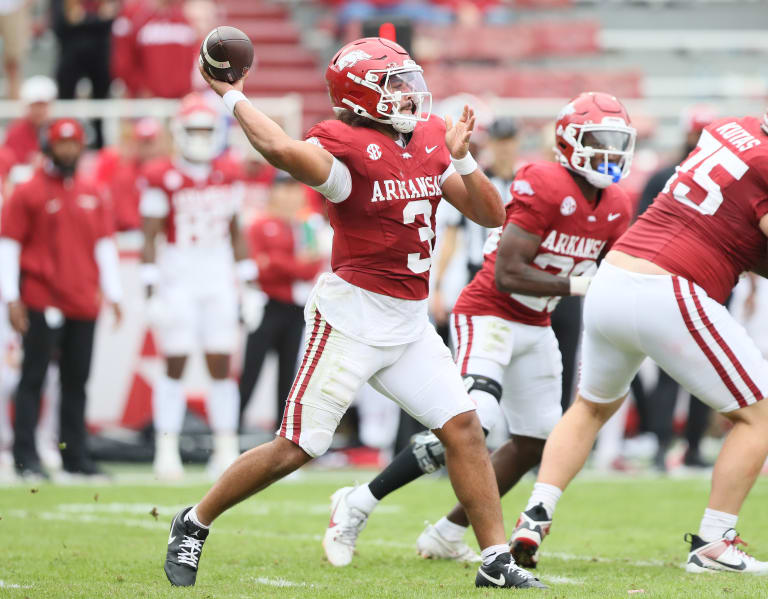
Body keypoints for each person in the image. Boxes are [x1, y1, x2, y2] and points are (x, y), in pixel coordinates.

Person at [163, 36, 546, 590]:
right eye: (394, 83)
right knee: (295, 448)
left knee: (463, 428)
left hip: (410, 319)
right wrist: (232, 97)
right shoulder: (341, 143)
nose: (410, 93)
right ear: (362, 94)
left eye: (408, 80)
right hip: (353, 316)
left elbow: (491, 214)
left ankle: (495, 559)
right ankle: (194, 522)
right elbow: (281, 151)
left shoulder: (432, 138)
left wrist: (462, 157)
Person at [324, 91, 635, 563]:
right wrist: (581, 285)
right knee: (476, 423)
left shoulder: (617, 204)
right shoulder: (543, 181)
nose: (610, 153)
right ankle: (360, 500)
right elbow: (508, 272)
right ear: (570, 141)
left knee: (535, 440)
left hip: (537, 320)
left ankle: (447, 534)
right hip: (489, 310)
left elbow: (611, 270)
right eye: (599, 141)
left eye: (617, 142)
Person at [510, 109, 768, 574]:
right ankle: (714, 542)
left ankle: (536, 513)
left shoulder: (736, 128)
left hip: (613, 279)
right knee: (760, 414)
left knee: (590, 407)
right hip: (671, 288)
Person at [140, 93, 255, 481]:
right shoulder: (162, 176)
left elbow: (237, 231)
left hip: (218, 277)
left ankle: (226, 447)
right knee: (175, 363)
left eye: (208, 130)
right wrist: (151, 290)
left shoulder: (229, 173)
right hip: (179, 278)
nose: (202, 137)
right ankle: (166, 447)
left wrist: (249, 282)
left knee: (221, 365)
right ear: (180, 132)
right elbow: (150, 237)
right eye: (196, 130)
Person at [0, 118, 123, 479]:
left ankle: (74, 455)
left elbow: (103, 243)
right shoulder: (28, 191)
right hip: (42, 298)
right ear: (48, 146)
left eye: (74, 143)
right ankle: (26, 457)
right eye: (61, 143)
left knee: (76, 381)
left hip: (82, 300)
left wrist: (114, 293)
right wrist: (11, 297)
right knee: (33, 378)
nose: (68, 149)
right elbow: (8, 245)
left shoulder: (91, 191)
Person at [636, 105, 718, 471]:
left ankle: (694, 446)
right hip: (669, 283)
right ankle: (659, 444)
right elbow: (640, 229)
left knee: (707, 369)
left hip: (712, 284)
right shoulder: (662, 178)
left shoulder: (724, 182)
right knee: (670, 369)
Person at [238, 171, 325, 428]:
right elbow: (258, 268)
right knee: (251, 371)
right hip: (266, 305)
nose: (289, 195)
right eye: (283, 188)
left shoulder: (308, 225)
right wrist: (289, 265)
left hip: (295, 309)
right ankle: (230, 431)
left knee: (289, 376)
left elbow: (310, 269)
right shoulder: (259, 224)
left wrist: (275, 260)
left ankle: (283, 434)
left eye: (293, 188)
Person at [3, 76, 57, 166]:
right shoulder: (15, 132)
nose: (39, 111)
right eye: (35, 106)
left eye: (42, 105)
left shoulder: (57, 130)